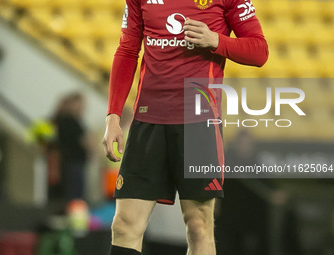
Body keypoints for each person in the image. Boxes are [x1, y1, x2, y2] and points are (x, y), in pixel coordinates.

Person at [102, 0, 268, 254]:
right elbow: (127, 50)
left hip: (198, 123)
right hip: (148, 119)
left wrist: (216, 40)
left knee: (199, 226)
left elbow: (259, 51)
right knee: (124, 225)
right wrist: (113, 115)